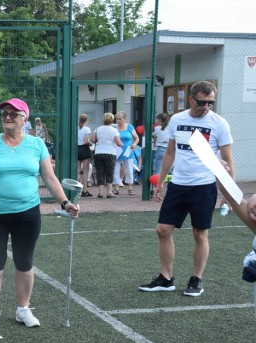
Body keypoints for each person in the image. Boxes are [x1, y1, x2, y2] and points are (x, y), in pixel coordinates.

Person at [0, 98, 80, 331]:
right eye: (4, 113)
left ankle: (22, 309)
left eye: (13, 113)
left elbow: (50, 178)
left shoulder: (36, 145)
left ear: (24, 119)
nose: (7, 117)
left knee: (25, 263)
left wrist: (65, 202)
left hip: (27, 214)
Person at [138, 80, 234, 297]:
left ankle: (196, 279)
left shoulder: (219, 123)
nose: (206, 107)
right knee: (162, 230)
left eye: (210, 103)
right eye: (201, 102)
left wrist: (227, 195)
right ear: (191, 99)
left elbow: (228, 161)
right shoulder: (177, 119)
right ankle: (166, 278)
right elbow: (170, 152)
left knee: (200, 233)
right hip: (178, 185)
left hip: (204, 186)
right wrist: (160, 183)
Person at [90, 112, 122, 198]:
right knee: (109, 172)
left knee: (100, 172)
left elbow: (92, 140)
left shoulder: (98, 129)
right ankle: (109, 192)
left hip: (98, 152)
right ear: (112, 120)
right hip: (110, 153)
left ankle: (100, 192)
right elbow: (118, 143)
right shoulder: (114, 130)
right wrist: (122, 144)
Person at [112, 111, 140, 195]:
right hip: (117, 151)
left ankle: (130, 188)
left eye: (120, 119)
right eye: (117, 119)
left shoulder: (130, 127)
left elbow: (136, 138)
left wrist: (134, 144)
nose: (118, 121)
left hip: (128, 151)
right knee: (116, 170)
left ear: (124, 119)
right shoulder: (114, 127)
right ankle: (116, 188)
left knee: (129, 170)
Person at [77, 113, 93, 197]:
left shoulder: (76, 128)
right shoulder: (87, 129)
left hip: (77, 148)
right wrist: (91, 144)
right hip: (84, 149)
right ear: (86, 120)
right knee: (85, 172)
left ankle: (77, 190)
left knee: (78, 171)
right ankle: (84, 190)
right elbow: (86, 141)